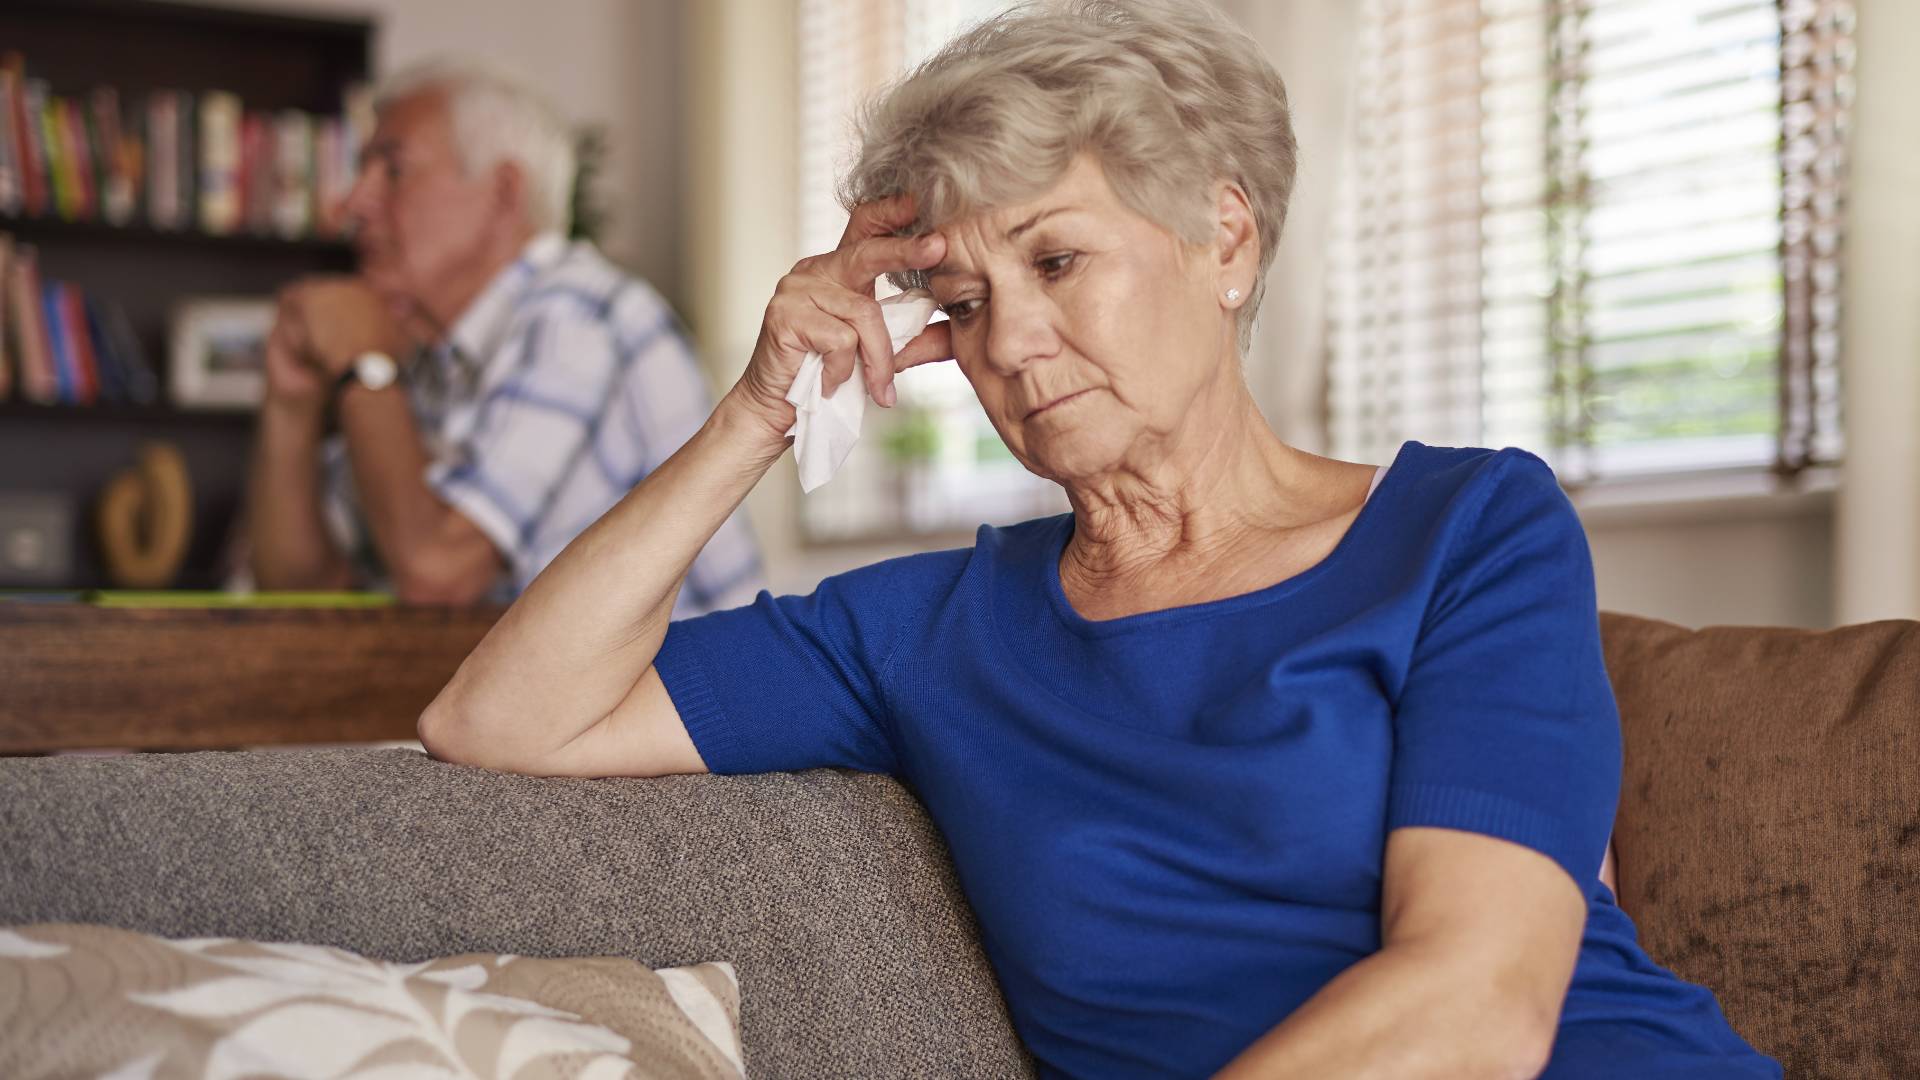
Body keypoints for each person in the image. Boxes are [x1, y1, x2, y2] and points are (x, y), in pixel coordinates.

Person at [418, 3, 1779, 1077]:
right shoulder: (925, 633)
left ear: (1224, 237)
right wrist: (757, 412)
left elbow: (1477, 1008)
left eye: (1056, 262)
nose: (1007, 342)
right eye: (958, 299)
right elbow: (502, 718)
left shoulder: (1468, 531)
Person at [247, 61, 761, 611]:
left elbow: (438, 576)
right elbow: (301, 594)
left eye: (392, 171)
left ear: (502, 192)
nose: (351, 204)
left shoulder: (582, 317)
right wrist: (291, 404)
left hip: (699, 697)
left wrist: (366, 363)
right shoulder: (429, 359)